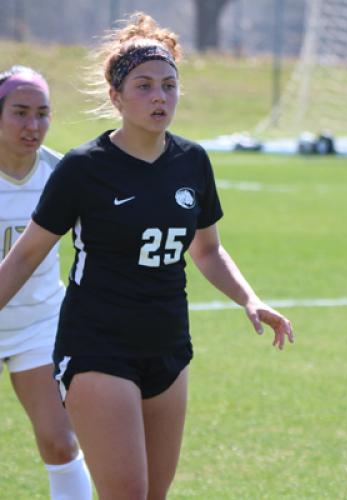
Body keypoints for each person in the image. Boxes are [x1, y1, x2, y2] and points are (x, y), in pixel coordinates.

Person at [0, 13, 294, 500]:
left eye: (169, 85)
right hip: (97, 345)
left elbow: (208, 250)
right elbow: (26, 255)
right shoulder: (81, 169)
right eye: (144, 86)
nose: (160, 97)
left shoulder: (192, 161)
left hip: (167, 346)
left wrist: (249, 298)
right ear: (115, 97)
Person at [0, 66, 92, 499]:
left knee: (60, 441)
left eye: (42, 113)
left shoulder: (61, 174)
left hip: (36, 327)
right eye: (20, 112)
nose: (32, 125)